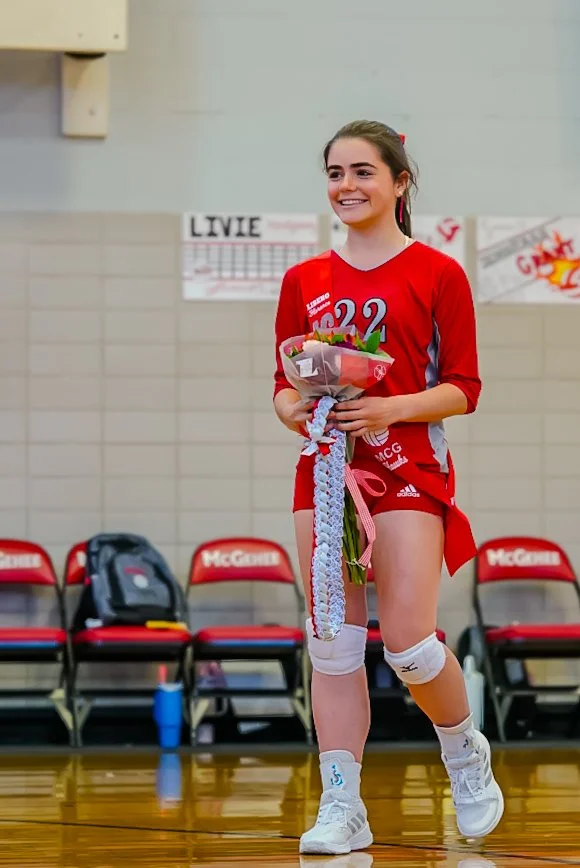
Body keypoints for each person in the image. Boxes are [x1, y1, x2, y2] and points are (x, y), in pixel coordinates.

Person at [273, 120, 504, 855]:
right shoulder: (302, 281)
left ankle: (464, 750)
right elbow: (281, 389)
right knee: (333, 644)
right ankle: (342, 803)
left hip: (405, 467)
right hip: (327, 470)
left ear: (400, 182)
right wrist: (300, 409)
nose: (347, 186)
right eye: (335, 173)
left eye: (364, 172)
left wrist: (388, 407)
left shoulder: (438, 273)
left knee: (407, 644)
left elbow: (464, 388)